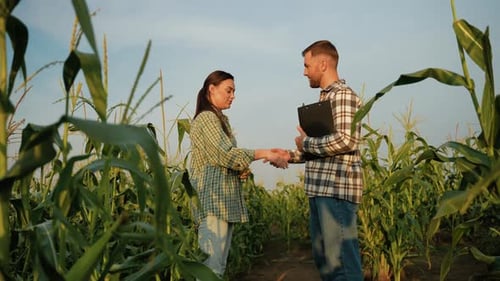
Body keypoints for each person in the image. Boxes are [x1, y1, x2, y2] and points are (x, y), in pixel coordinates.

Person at [188, 70, 288, 279]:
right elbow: (225, 154)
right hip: (213, 203)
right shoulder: (207, 118)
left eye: (234, 91)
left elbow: (220, 159)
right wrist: (265, 153)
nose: (233, 96)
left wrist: (238, 170)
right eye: (229, 90)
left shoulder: (219, 119)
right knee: (210, 271)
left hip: (222, 204)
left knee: (216, 269)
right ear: (211, 89)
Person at [288, 40, 364, 281]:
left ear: (322, 64)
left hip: (335, 192)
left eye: (306, 65)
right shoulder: (325, 99)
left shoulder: (342, 96)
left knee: (341, 267)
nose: (304, 71)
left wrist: (306, 143)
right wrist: (288, 156)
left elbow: (346, 140)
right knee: (328, 267)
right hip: (321, 190)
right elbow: (324, 148)